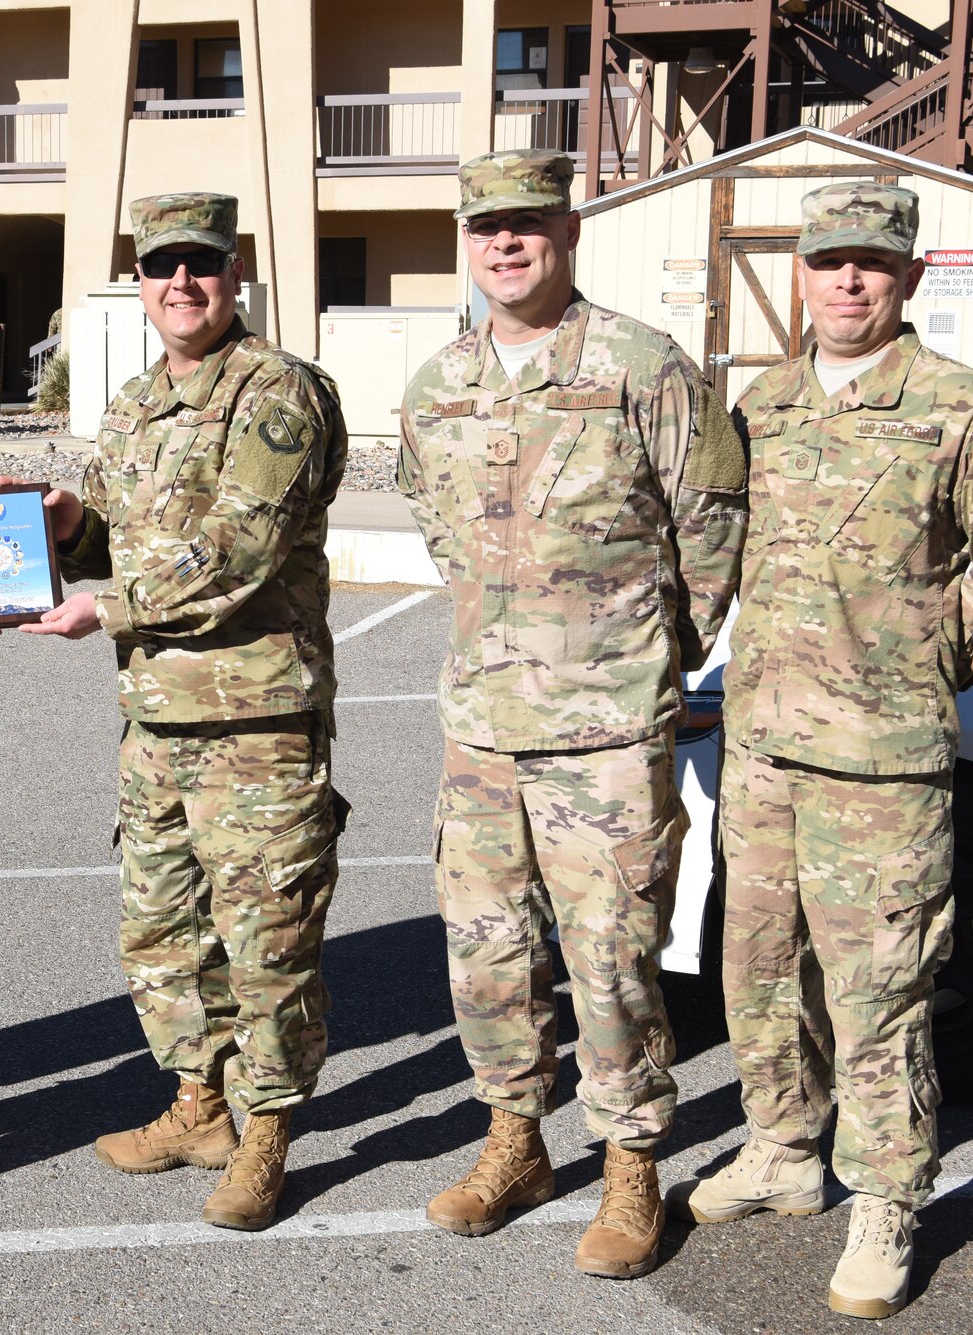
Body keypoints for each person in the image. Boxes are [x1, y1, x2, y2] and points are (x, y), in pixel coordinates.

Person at [672, 184, 973, 1319]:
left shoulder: (961, 405)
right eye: (828, 261)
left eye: (872, 265)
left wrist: (919, 661)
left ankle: (887, 1198)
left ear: (904, 279)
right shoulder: (767, 404)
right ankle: (781, 1148)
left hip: (879, 763)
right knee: (754, 965)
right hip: (762, 750)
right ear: (798, 271)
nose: (848, 281)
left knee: (877, 986)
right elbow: (714, 548)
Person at [396, 149, 747, 1279]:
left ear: (568, 231)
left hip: (604, 733)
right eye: (486, 227)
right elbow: (436, 525)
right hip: (482, 727)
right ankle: (513, 1142)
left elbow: (710, 525)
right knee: (486, 956)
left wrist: (652, 661)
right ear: (467, 241)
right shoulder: (437, 382)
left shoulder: (644, 366)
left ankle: (630, 1164)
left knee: (612, 959)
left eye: (527, 225)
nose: (505, 244)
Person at [26, 193, 347, 1232]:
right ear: (140, 276)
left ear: (232, 273)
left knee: (266, 942)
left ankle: (265, 1134)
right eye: (161, 265)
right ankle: (198, 1102)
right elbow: (112, 539)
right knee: (162, 934)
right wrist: (67, 531)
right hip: (155, 720)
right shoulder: (130, 405)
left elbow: (238, 553)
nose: (180, 283)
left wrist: (107, 602)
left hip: (254, 724)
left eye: (199, 265)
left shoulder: (276, 395)